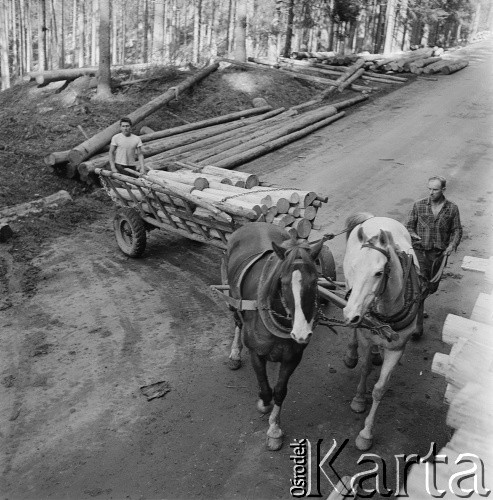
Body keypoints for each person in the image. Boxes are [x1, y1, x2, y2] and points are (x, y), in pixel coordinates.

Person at [405, 175, 462, 340]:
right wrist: (414, 236)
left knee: (432, 287)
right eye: (429, 189)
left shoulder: (452, 208)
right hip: (420, 251)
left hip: (439, 254)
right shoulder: (419, 205)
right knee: (421, 285)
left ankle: (419, 304)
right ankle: (417, 326)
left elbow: (457, 230)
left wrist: (452, 246)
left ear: (443, 190)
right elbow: (409, 226)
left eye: (435, 189)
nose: (431, 192)